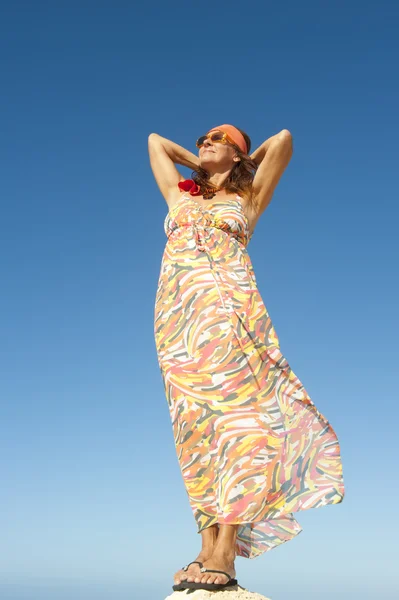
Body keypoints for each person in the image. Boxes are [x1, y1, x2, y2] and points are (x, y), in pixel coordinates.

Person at [148, 125, 345, 592]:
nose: (204, 141)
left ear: (237, 155)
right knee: (196, 430)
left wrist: (241, 162)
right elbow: (156, 142)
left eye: (217, 137)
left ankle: (225, 553)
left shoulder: (249, 199)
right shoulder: (180, 195)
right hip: (178, 325)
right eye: (201, 138)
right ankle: (204, 546)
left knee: (240, 426)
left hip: (235, 317)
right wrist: (202, 166)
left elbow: (284, 139)